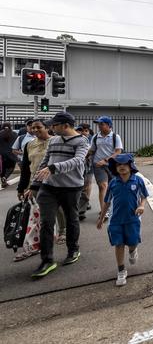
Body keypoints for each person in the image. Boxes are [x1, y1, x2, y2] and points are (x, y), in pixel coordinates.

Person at [29, 112, 89, 278]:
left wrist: (54, 168)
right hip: (49, 188)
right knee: (46, 222)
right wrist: (35, 184)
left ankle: (73, 250)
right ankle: (47, 260)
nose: (51, 128)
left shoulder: (82, 142)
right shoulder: (53, 140)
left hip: (71, 188)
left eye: (54, 125)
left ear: (65, 125)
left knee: (71, 219)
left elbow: (78, 161)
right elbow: (45, 161)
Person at [96, 154, 149, 286]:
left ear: (131, 165)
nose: (121, 167)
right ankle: (121, 270)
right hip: (115, 220)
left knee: (133, 242)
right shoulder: (113, 182)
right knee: (118, 244)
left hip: (133, 219)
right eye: (118, 165)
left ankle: (132, 250)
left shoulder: (138, 181)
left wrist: (141, 205)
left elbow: (144, 196)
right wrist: (101, 218)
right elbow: (107, 202)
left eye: (124, 164)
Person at [14, 119, 50, 262]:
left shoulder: (55, 142)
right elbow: (25, 169)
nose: (35, 130)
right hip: (34, 185)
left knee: (51, 218)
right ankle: (32, 246)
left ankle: (60, 239)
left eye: (38, 127)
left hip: (54, 185)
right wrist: (21, 188)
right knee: (34, 217)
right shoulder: (29, 145)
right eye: (32, 127)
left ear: (46, 128)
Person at [89, 116, 123, 221]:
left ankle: (113, 208)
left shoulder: (115, 137)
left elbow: (118, 151)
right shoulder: (95, 137)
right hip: (98, 165)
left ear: (109, 125)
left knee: (114, 188)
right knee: (103, 186)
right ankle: (105, 212)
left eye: (101, 124)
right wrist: (83, 157)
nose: (99, 126)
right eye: (98, 124)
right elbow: (92, 150)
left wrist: (106, 160)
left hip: (111, 165)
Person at [77, 124, 94, 221]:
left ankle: (81, 210)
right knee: (78, 189)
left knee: (85, 187)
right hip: (74, 169)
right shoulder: (73, 140)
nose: (83, 132)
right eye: (80, 130)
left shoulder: (91, 140)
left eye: (86, 131)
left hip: (87, 167)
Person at [0, 122, 18, 187]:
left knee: (3, 168)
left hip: (1, 154)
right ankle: (5, 178)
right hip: (11, 154)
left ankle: (3, 179)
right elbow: (17, 144)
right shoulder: (14, 134)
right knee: (11, 168)